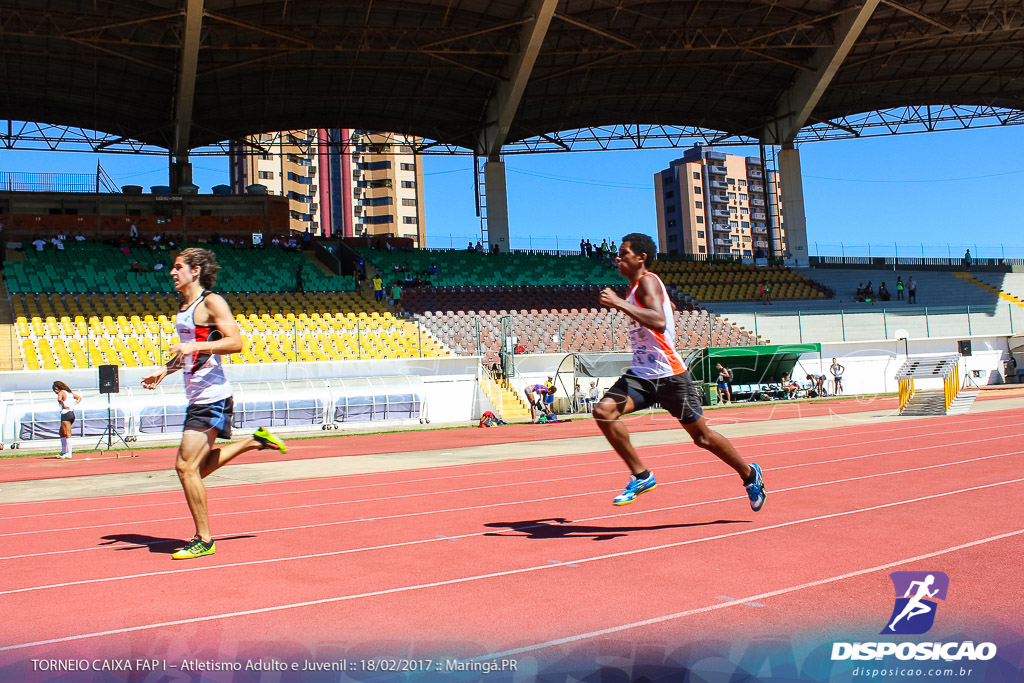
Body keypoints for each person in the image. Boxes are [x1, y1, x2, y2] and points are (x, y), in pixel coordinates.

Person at [594, 233, 765, 509]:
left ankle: (749, 474)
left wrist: (619, 303)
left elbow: (659, 322)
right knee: (604, 411)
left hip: (671, 376)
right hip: (642, 375)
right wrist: (659, 305)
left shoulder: (646, 281)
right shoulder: (640, 288)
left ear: (641, 257)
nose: (618, 257)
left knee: (703, 438)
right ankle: (642, 475)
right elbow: (666, 309)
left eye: (624, 253)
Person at [141, 247, 287, 560]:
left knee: (184, 467)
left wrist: (194, 343)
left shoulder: (212, 301)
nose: (172, 272)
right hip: (197, 397)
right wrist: (164, 370)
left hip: (212, 397)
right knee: (195, 469)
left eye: (178, 267)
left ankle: (204, 539)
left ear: (195, 270)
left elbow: (236, 342)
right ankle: (254, 441)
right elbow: (190, 353)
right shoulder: (182, 307)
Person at [52, 381, 82, 459]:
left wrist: (64, 405)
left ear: (58, 387)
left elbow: (59, 399)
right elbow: (79, 398)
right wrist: (74, 404)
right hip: (71, 413)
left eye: (55, 389)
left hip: (66, 414)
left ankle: (69, 453)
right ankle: (63, 451)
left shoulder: (61, 392)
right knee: (61, 432)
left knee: (67, 433)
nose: (55, 391)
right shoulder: (70, 393)